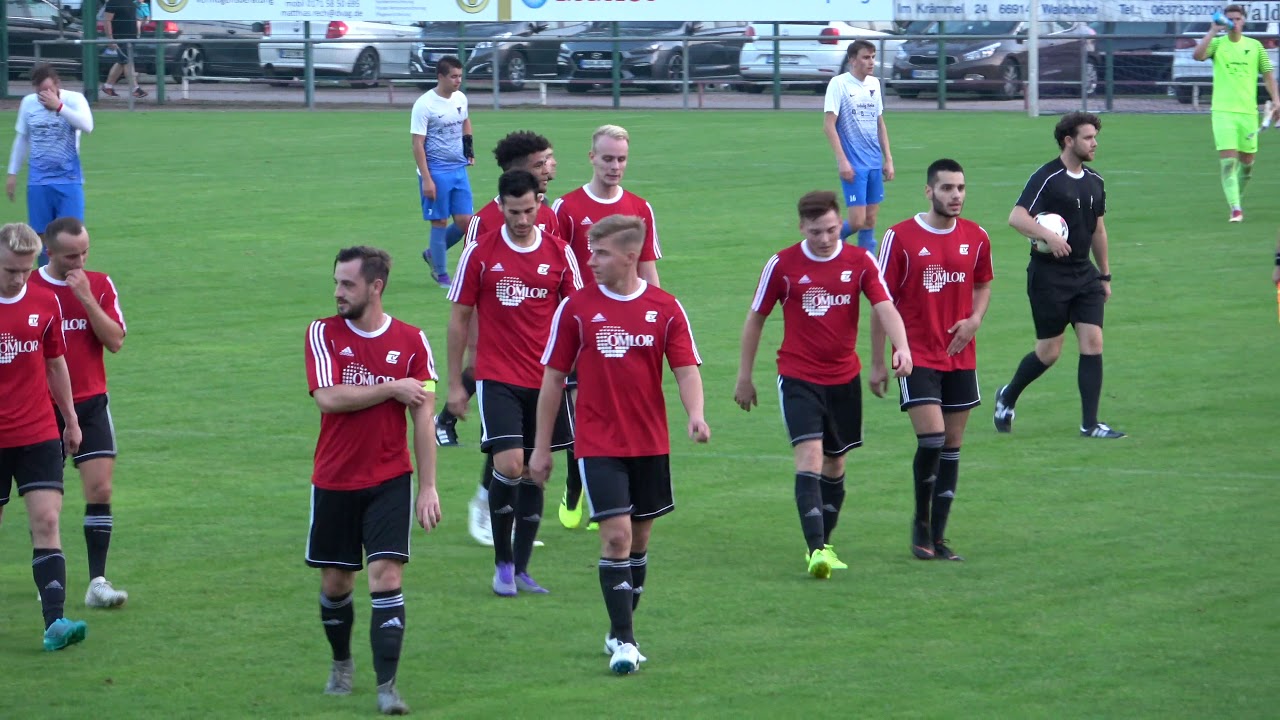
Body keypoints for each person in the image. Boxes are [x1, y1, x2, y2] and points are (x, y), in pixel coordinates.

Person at [529, 215, 708, 675]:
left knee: (640, 541)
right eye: (590, 251)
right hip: (598, 442)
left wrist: (696, 415)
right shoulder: (575, 308)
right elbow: (552, 380)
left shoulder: (665, 308)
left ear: (631, 257)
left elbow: (685, 368)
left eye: (601, 253)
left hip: (650, 442)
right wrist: (542, 448)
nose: (591, 260)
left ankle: (618, 625)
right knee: (616, 537)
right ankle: (626, 642)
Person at [734, 190, 912, 579]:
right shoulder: (782, 264)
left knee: (836, 462)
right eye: (817, 232)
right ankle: (815, 549)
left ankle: (825, 543)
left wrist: (901, 348)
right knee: (810, 457)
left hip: (844, 378)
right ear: (802, 227)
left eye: (833, 229)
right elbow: (755, 319)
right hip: (798, 376)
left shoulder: (860, 260)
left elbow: (884, 307)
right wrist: (744, 377)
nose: (827, 238)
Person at [304, 246, 442, 715]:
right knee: (337, 583)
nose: (339, 293)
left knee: (386, 575)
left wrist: (428, 486)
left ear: (375, 287)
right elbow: (328, 397)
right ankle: (341, 663)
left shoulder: (412, 340)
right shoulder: (322, 332)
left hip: (390, 477)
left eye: (348, 284)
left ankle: (388, 687)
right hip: (335, 478)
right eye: (337, 283)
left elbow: (424, 419)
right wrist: (390, 388)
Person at [445, 169, 582, 596]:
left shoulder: (560, 254)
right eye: (513, 211)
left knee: (537, 473)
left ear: (539, 205)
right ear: (500, 206)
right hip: (497, 376)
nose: (522, 220)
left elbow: (577, 314)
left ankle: (521, 568)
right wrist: (454, 384)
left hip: (547, 383)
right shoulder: (480, 253)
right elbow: (459, 320)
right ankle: (502, 563)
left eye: (529, 210)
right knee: (511, 465)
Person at [436, 131, 562, 546]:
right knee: (507, 452)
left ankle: (518, 531)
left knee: (530, 454)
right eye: (542, 162)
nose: (550, 168)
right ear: (521, 168)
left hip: (541, 360)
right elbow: (470, 296)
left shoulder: (549, 217)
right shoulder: (486, 225)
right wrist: (472, 353)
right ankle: (485, 503)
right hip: (496, 353)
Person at [869, 159, 992, 562]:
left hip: (960, 355)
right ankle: (920, 526)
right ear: (928, 191)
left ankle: (939, 535)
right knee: (934, 439)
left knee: (953, 445)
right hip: (916, 355)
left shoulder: (976, 237)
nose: (955, 195)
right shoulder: (899, 237)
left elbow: (982, 283)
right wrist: (877, 362)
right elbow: (879, 301)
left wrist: (974, 320)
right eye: (946, 188)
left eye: (960, 188)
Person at [552, 124, 662, 531]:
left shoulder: (639, 208)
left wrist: (657, 326)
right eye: (608, 158)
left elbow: (650, 271)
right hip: (581, 328)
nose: (615, 166)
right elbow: (553, 267)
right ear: (592, 157)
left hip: (628, 332)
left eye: (621, 159)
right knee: (583, 410)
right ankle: (578, 484)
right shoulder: (567, 209)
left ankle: (603, 492)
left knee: (622, 410)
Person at [993, 112, 1124, 440]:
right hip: (1048, 276)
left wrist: (1105, 275)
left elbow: (1099, 230)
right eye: (1088, 137)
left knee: (1093, 342)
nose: (1094, 143)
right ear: (1069, 141)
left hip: (1085, 275)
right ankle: (1007, 395)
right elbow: (1015, 217)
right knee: (1049, 352)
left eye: (1095, 137)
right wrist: (1048, 236)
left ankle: (1090, 424)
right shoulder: (1047, 177)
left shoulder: (1096, 181)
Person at [32, 217, 130, 606]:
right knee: (47, 505)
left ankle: (97, 583)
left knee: (101, 489)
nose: (80, 261)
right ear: (49, 251)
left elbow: (115, 342)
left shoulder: (100, 284)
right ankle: (50, 579)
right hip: (41, 408)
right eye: (71, 255)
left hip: (91, 403)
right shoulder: (29, 287)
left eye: (85, 252)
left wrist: (87, 298)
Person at [0, 222, 87, 651]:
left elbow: (55, 363)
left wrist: (70, 419)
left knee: (48, 522)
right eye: (9, 270)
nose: (17, 278)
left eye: (23, 270)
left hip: (37, 430)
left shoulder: (44, 301)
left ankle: (55, 624)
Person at [1192, 4, 1280, 222]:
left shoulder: (1255, 46)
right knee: (1228, 162)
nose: (1234, 22)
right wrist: (1213, 30)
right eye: (1230, 18)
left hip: (1248, 113)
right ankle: (1235, 209)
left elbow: (1268, 75)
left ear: (1244, 21)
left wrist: (1277, 101)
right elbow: (1197, 55)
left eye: (1237, 18)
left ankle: (1236, 198)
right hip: (1222, 112)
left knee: (1247, 164)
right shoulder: (1217, 44)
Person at [6, 65, 93, 268]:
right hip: (38, 181)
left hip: (69, 179)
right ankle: (46, 280)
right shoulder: (28, 104)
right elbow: (22, 139)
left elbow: (87, 125)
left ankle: (72, 282)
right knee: (41, 237)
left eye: (49, 90)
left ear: (58, 85)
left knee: (71, 235)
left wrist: (59, 107)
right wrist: (12, 173)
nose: (44, 96)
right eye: (40, 92)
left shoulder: (74, 100)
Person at [823, 39, 894, 255]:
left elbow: (879, 122)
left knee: (870, 219)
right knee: (856, 221)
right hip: (854, 164)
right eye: (865, 57)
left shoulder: (874, 84)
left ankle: (867, 266)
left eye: (873, 57)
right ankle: (827, 245)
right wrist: (843, 161)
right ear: (853, 60)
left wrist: (888, 159)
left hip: (873, 162)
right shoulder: (839, 84)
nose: (871, 61)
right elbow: (828, 125)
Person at [411, 56, 474, 289]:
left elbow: (465, 122)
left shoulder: (460, 98)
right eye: (453, 76)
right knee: (439, 221)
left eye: (460, 76)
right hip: (435, 171)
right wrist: (426, 179)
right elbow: (418, 143)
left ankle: (432, 254)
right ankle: (441, 273)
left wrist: (469, 150)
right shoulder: (424, 105)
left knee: (466, 222)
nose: (458, 81)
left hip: (458, 168)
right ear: (440, 77)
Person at [101, 0, 146, 99]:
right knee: (126, 60)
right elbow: (107, 21)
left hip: (131, 38)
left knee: (122, 61)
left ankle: (108, 86)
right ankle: (135, 88)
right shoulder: (112, 3)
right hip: (120, 38)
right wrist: (111, 39)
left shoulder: (131, 2)